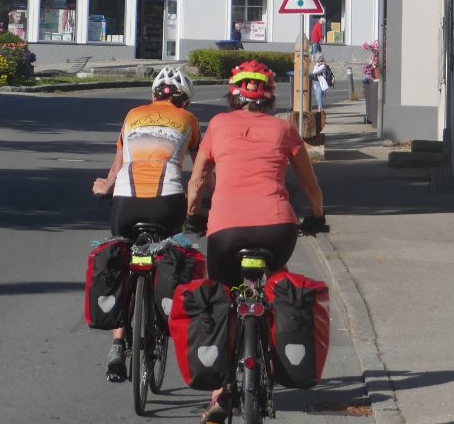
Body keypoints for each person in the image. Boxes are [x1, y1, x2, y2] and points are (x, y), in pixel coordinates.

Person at [185, 59, 326, 424]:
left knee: (222, 295)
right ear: (270, 96)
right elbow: (310, 186)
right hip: (276, 229)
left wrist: (193, 215)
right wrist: (317, 218)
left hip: (226, 231)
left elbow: (198, 179)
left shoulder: (217, 125)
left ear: (233, 95)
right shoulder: (283, 129)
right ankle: (278, 345)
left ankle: (220, 394)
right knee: (277, 284)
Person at [93, 64, 199, 383]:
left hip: (126, 203)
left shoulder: (131, 116)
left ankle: (116, 345)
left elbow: (117, 167)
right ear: (184, 100)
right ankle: (165, 309)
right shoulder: (189, 120)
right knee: (175, 249)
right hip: (168, 203)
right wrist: (203, 205)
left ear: (153, 95)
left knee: (124, 261)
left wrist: (107, 187)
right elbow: (203, 170)